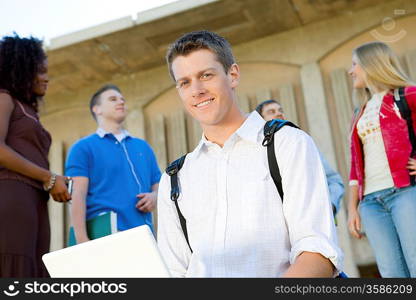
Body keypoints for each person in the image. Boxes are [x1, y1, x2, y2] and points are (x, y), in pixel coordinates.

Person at [157, 30, 343, 277]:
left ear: (232, 75)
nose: (196, 90)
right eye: (185, 82)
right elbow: (173, 272)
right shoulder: (174, 178)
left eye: (206, 75)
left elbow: (318, 254)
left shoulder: (287, 144)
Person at [0, 35, 71, 277]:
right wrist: (48, 178)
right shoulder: (4, 98)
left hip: (35, 201)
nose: (46, 77)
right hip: (12, 196)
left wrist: (51, 180)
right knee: (14, 268)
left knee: (34, 272)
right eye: (40, 71)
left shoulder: (27, 109)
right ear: (21, 68)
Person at [347, 41, 416, 277]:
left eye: (355, 64)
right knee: (391, 275)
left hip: (406, 193)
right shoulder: (360, 112)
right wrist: (352, 209)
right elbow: (355, 169)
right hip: (371, 204)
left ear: (371, 64)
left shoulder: (407, 95)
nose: (351, 71)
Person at [65, 84, 161, 243]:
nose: (121, 102)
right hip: (104, 235)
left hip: (144, 235)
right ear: (97, 109)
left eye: (122, 99)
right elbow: (78, 194)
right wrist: (81, 239)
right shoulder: (82, 148)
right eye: (113, 99)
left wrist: (155, 196)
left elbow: (158, 186)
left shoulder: (143, 147)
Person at [256, 99, 345, 215]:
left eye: (280, 110)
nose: (279, 113)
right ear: (260, 120)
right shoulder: (256, 153)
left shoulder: (301, 144)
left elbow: (334, 180)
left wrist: (330, 206)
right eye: (271, 111)